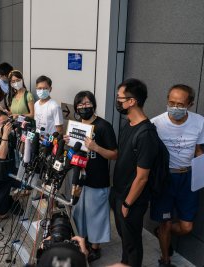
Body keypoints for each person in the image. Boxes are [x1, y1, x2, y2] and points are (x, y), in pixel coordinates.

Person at [150, 84, 204, 267]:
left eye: (180, 104)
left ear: (190, 104)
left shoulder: (198, 121)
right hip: (165, 178)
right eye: (171, 102)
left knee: (187, 227)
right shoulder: (156, 123)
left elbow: (198, 149)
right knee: (165, 222)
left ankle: (163, 231)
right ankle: (165, 260)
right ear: (167, 101)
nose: (175, 107)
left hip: (188, 178)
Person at [110, 78, 159, 267]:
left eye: (120, 98)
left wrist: (127, 203)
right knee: (126, 237)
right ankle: (125, 263)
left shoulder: (146, 134)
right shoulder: (128, 124)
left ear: (132, 101)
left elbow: (142, 177)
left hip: (131, 198)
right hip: (119, 191)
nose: (118, 101)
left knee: (133, 243)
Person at [66, 91, 117, 263]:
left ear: (93, 104)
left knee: (97, 215)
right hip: (79, 177)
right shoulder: (77, 125)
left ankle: (95, 247)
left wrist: (96, 147)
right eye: (80, 104)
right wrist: (69, 144)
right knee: (79, 213)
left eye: (87, 103)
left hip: (98, 178)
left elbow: (114, 154)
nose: (84, 107)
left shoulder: (104, 126)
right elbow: (72, 153)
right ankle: (83, 242)